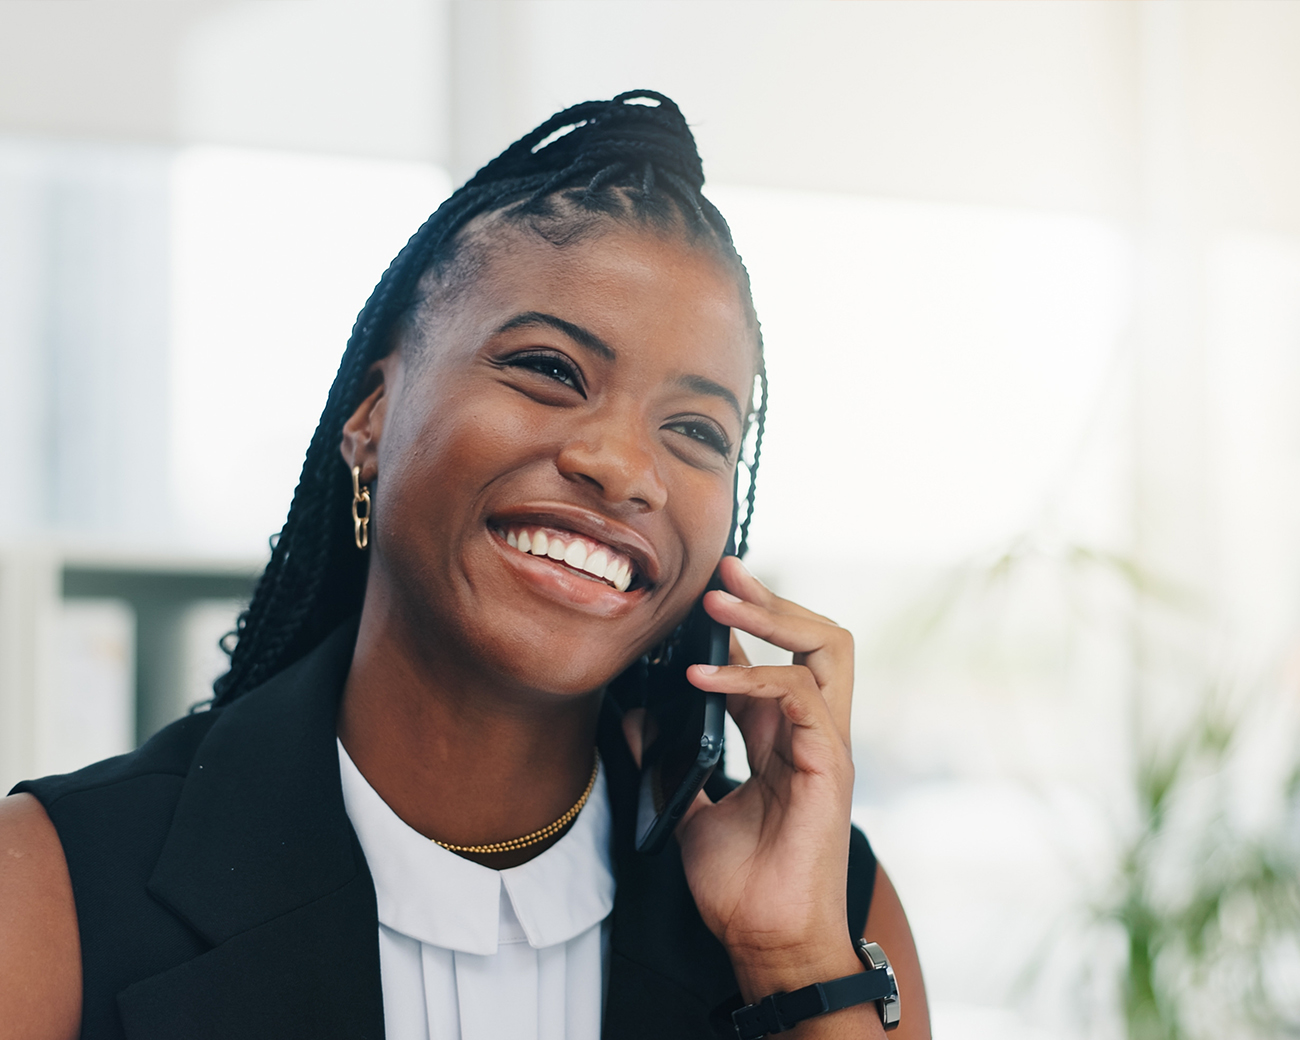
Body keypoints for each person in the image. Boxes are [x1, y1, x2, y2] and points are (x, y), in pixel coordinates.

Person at [0, 91, 930, 1040]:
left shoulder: (832, 916)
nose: (622, 468)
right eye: (550, 369)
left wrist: (793, 965)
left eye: (695, 430)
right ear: (369, 415)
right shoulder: (51, 893)